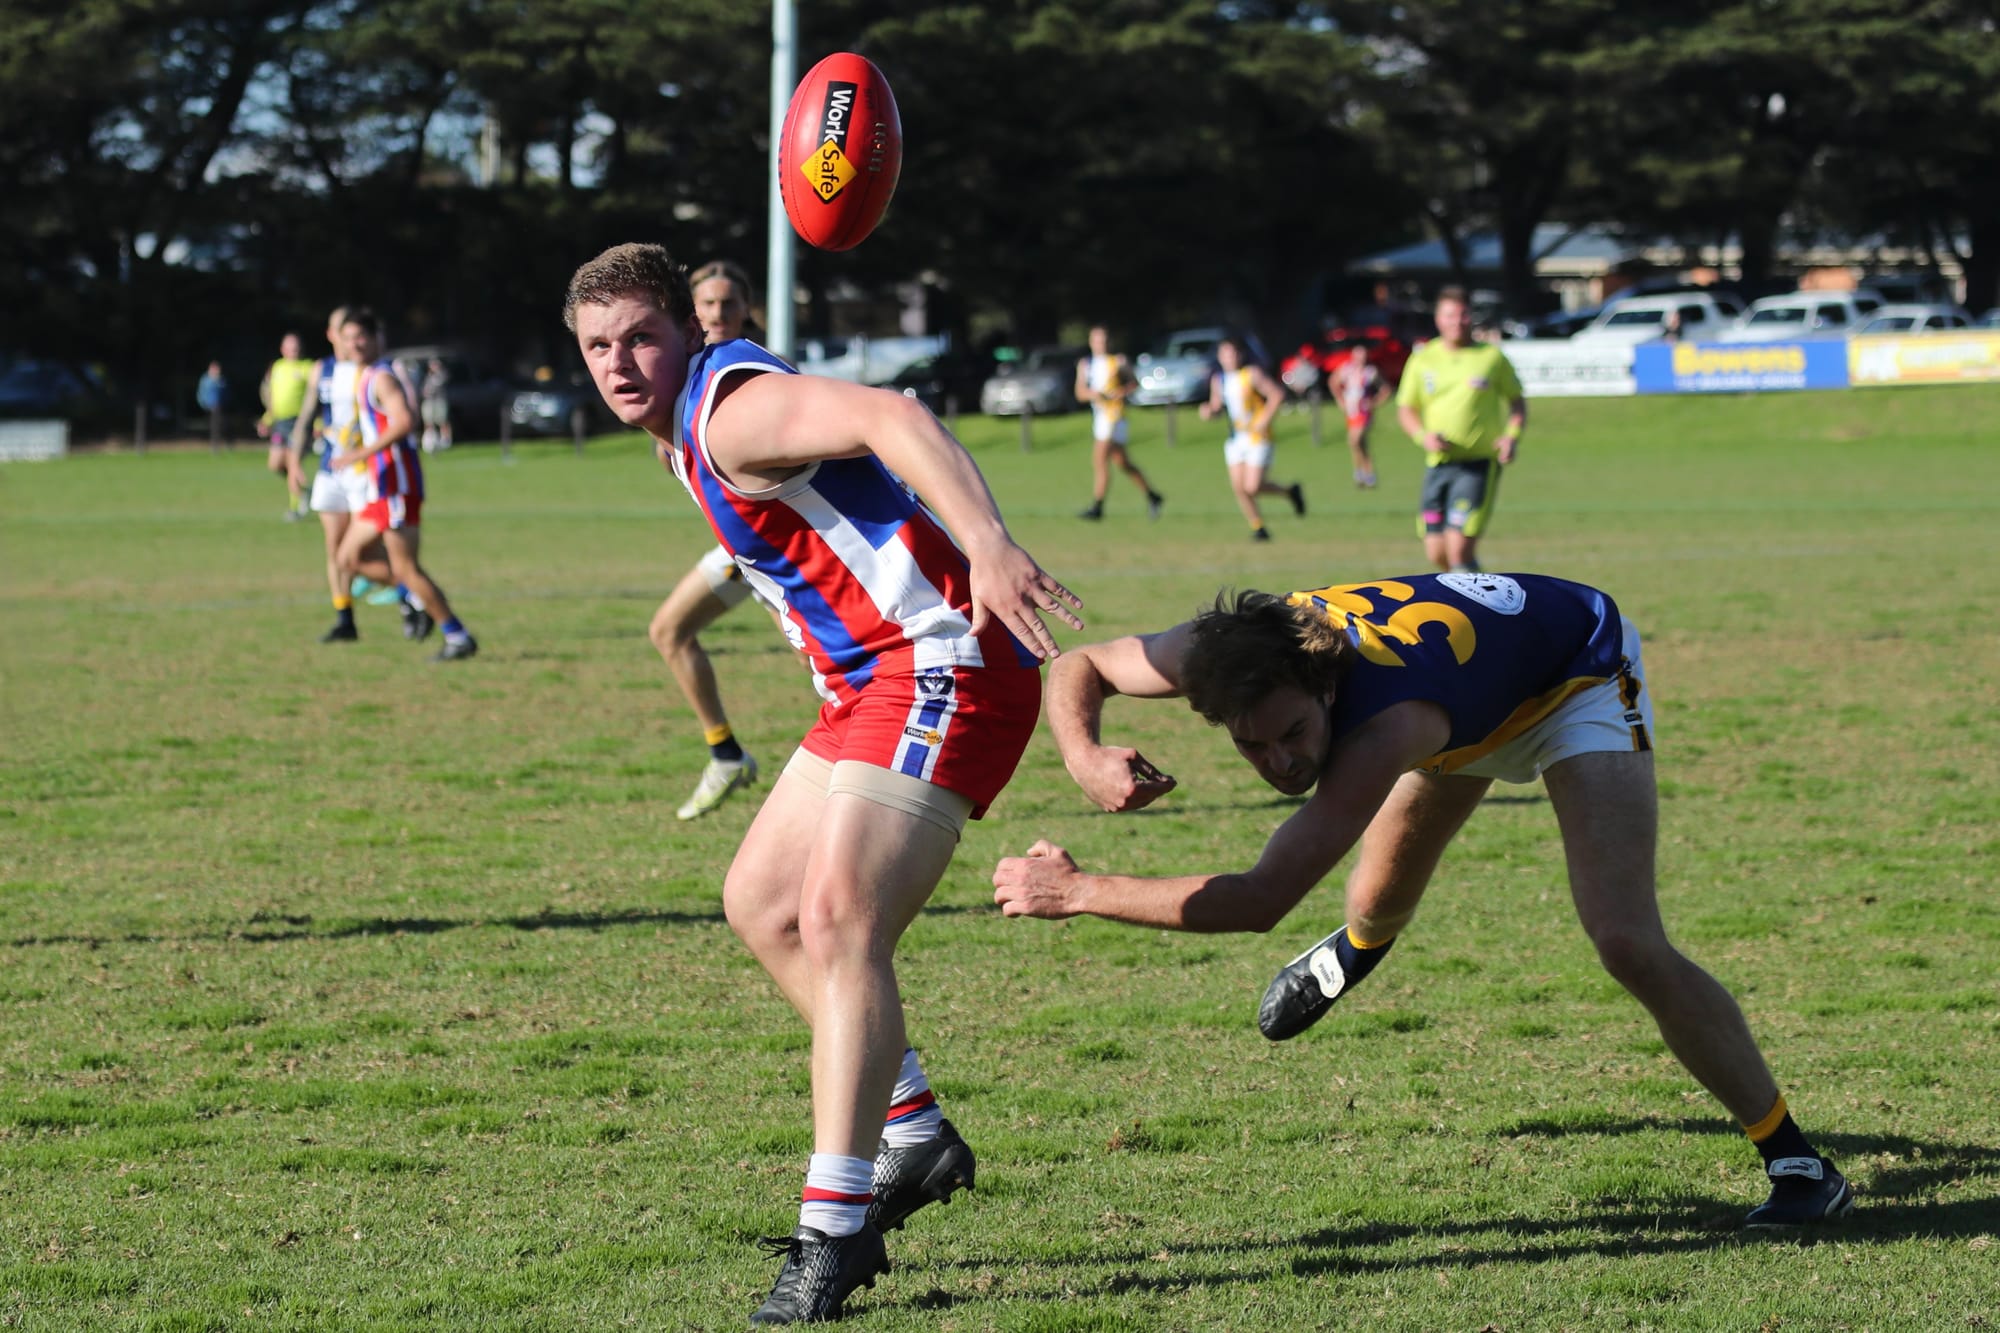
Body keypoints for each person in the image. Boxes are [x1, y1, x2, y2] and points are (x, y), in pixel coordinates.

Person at [992, 571, 1854, 1231]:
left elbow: (1262, 897)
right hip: (1467, 688)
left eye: (1294, 734)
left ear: (1327, 690)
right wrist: (1083, 752)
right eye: (1252, 746)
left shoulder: (1390, 723)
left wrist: (1078, 891)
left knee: (1625, 938)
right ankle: (1357, 951)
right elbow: (1080, 663)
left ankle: (1799, 1164)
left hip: (1575, 676)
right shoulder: (1220, 654)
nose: (1282, 763)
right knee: (1372, 899)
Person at [565, 242, 1082, 1325]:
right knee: (761, 903)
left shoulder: (729, 416)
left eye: (641, 338)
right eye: (598, 345)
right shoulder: (680, 430)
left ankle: (833, 1231)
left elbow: (894, 413)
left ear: (688, 334)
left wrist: (987, 543)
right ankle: (914, 1130)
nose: (619, 362)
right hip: (866, 683)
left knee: (840, 920)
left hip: (944, 661)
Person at [648, 259, 783, 820]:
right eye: (706, 304)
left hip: (780, 551)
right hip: (742, 553)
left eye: (728, 304)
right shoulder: (683, 382)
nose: (717, 313)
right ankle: (726, 754)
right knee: (669, 631)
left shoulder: (753, 372)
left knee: (827, 671)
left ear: (747, 310)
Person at [324, 308, 478, 662]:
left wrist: (359, 453)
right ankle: (415, 599)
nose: (355, 344)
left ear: (375, 339)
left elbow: (404, 421)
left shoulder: (381, 376)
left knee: (407, 568)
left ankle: (456, 635)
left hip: (396, 483)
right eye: (349, 338)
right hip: (380, 485)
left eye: (361, 337)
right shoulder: (364, 376)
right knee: (348, 558)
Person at [1395, 286, 1526, 574]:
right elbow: (1406, 409)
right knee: (1436, 552)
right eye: (1450, 315)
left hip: (1477, 466)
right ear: (1438, 319)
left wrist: (1511, 437)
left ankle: (1478, 598)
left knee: (1458, 551)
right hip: (1438, 465)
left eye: (1463, 314)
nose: (1457, 321)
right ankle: (1472, 588)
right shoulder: (1423, 359)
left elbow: (1517, 402)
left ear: (1471, 317)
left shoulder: (1491, 357)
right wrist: (1423, 436)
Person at [1199, 336, 1303, 541]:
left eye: (1233, 354)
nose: (1229, 358)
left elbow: (1276, 394)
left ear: (1240, 355)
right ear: (1219, 357)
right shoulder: (1219, 379)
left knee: (1253, 487)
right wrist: (1209, 412)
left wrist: (1265, 419)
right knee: (1239, 487)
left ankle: (1289, 492)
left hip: (1258, 437)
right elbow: (1217, 406)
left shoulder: (1252, 374)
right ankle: (1258, 527)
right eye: (1225, 354)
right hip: (1236, 439)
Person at [1074, 326, 1164, 521]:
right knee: (1122, 462)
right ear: (1091, 342)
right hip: (1099, 416)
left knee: (1099, 458)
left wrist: (1120, 392)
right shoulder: (1086, 364)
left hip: (1114, 415)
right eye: (1097, 340)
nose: (1101, 344)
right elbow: (1079, 393)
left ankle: (1097, 507)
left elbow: (1134, 384)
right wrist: (1094, 394)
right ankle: (1152, 495)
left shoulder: (1118, 361)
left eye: (1104, 340)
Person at [260, 334, 316, 519]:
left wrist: (317, 422)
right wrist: (267, 419)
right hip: (280, 423)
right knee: (275, 464)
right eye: (290, 347)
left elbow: (315, 398)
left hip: (299, 423)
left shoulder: (308, 367)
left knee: (293, 465)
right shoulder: (278, 367)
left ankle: (296, 508)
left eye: (296, 346)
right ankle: (304, 490)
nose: (293, 350)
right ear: (282, 349)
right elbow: (273, 397)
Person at [1332, 343, 1387, 489]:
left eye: (1363, 355)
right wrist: (1340, 400)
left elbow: (1385, 390)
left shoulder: (1370, 372)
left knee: (1354, 440)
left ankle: (1360, 473)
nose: (1360, 358)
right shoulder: (1346, 370)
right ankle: (1367, 474)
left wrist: (1374, 403)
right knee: (1360, 445)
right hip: (1351, 411)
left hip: (1364, 412)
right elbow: (1333, 382)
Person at [420, 356, 452, 452]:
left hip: (439, 400)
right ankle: (430, 441)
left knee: (442, 420)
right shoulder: (427, 376)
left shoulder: (442, 374)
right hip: (429, 401)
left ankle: (446, 441)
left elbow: (437, 385)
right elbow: (424, 389)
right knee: (428, 421)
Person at [196, 361, 227, 445]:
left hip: (218, 406)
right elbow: (201, 393)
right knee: (214, 425)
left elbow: (225, 394)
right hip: (208, 406)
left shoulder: (221, 380)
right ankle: (214, 442)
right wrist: (204, 405)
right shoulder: (205, 380)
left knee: (218, 425)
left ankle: (217, 442)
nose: (217, 371)